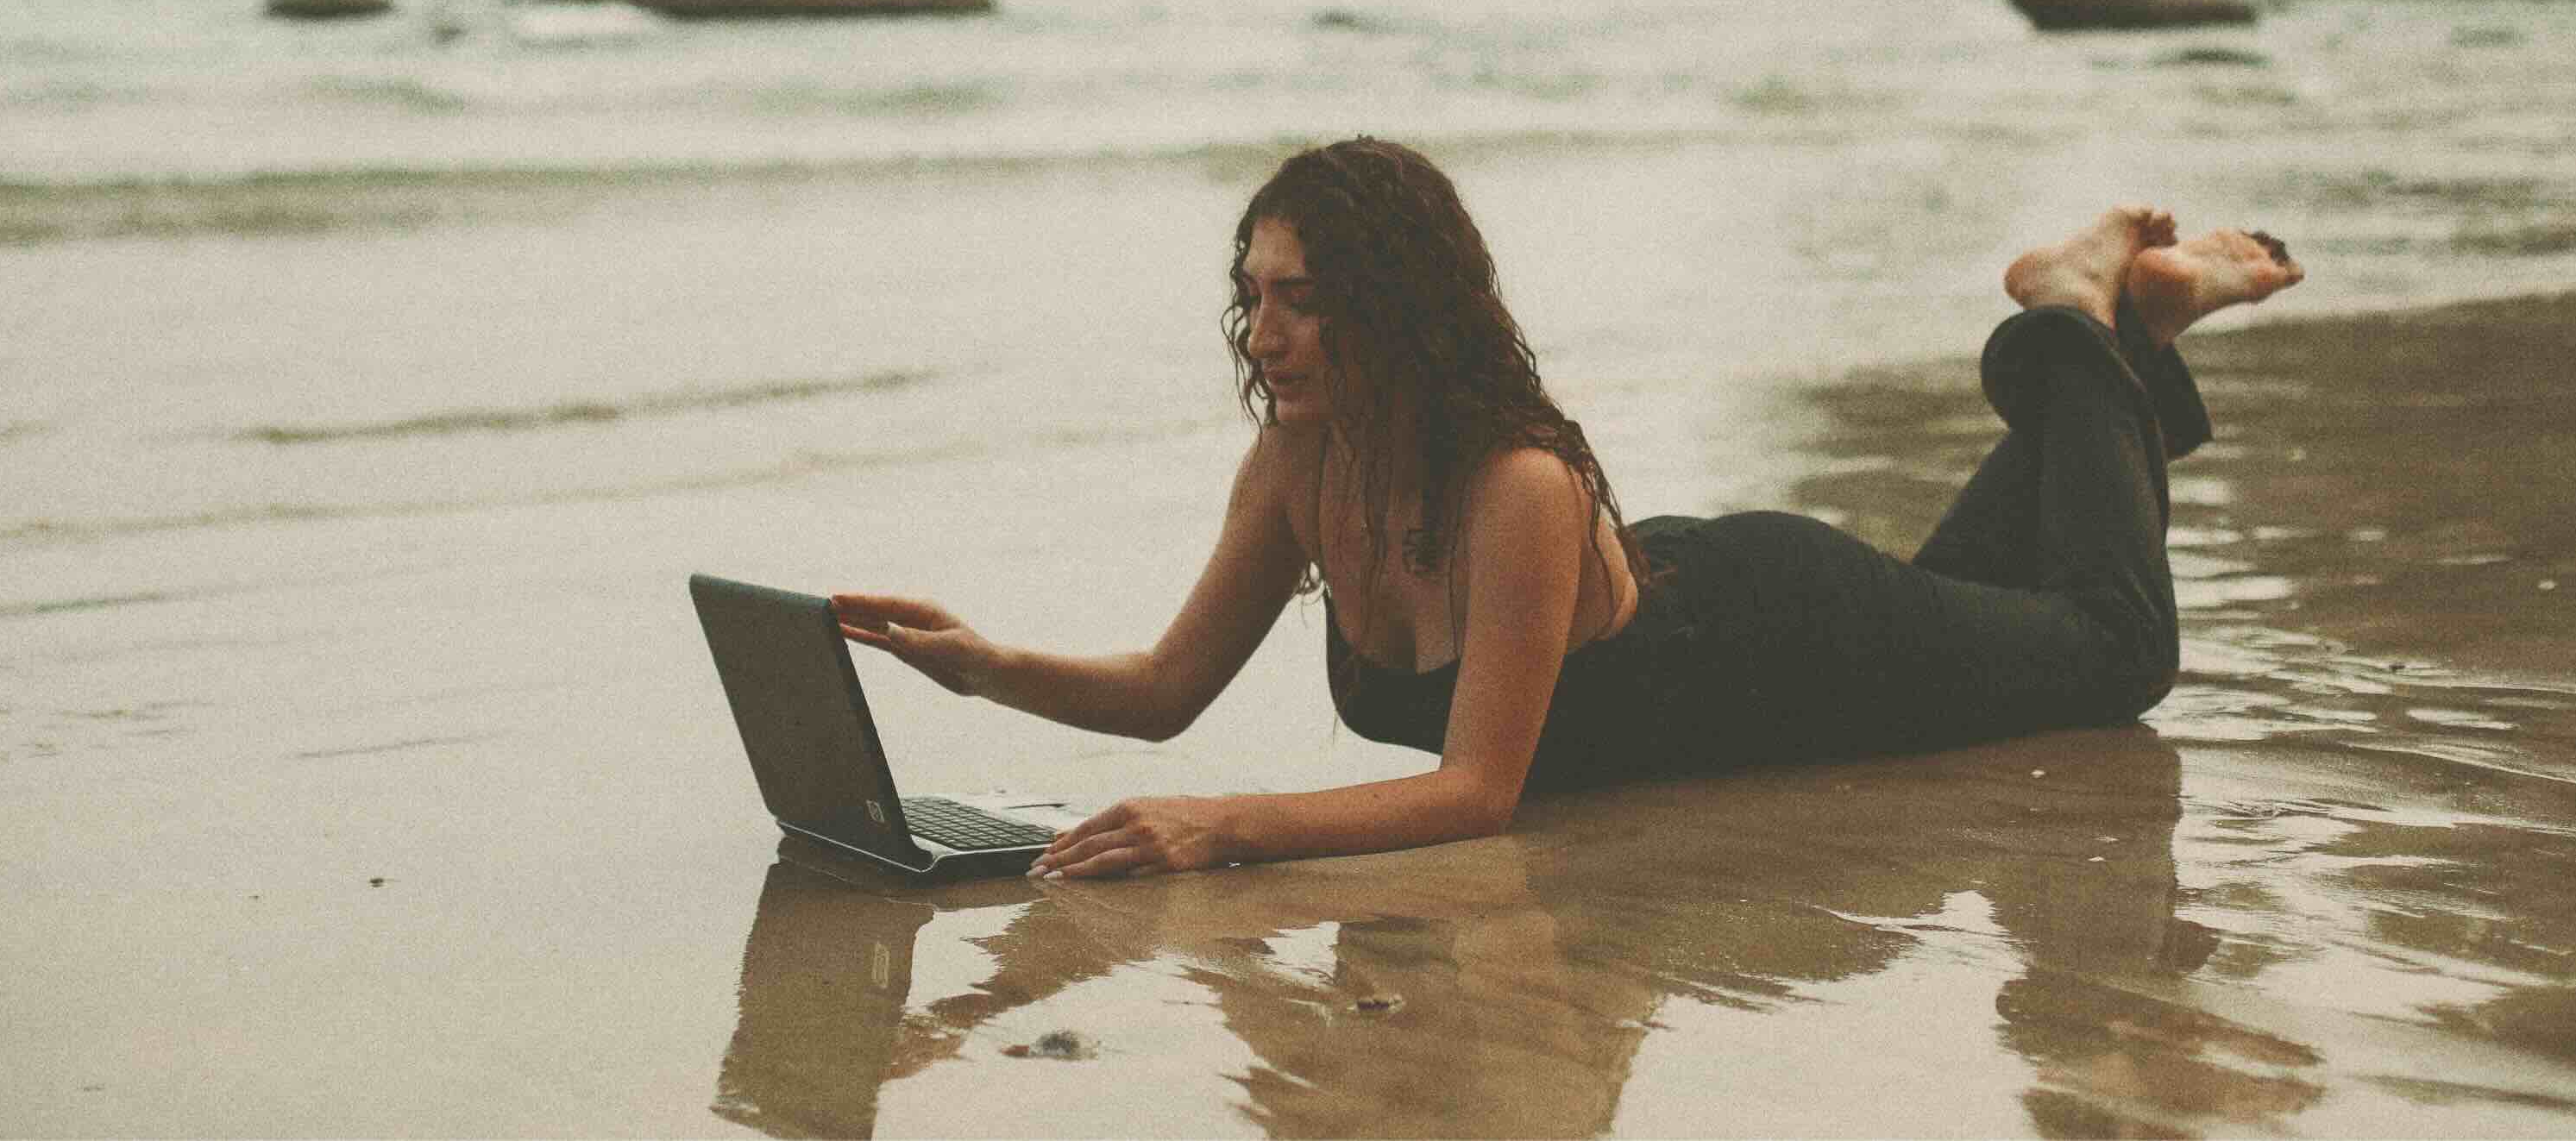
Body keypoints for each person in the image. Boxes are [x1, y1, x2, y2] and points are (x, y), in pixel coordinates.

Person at [834, 138, 2303, 880]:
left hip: (1808, 641)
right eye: (1254, 295)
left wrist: (1226, 826)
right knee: (2013, 597)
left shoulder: (1515, 484)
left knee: (2112, 650)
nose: (1265, 335)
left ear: (1393, 305)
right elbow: (1166, 691)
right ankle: (2126, 330)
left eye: (1303, 300)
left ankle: (2071, 313)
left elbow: (1479, 795)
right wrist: (984, 665)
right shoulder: (1301, 462)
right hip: (1747, 617)